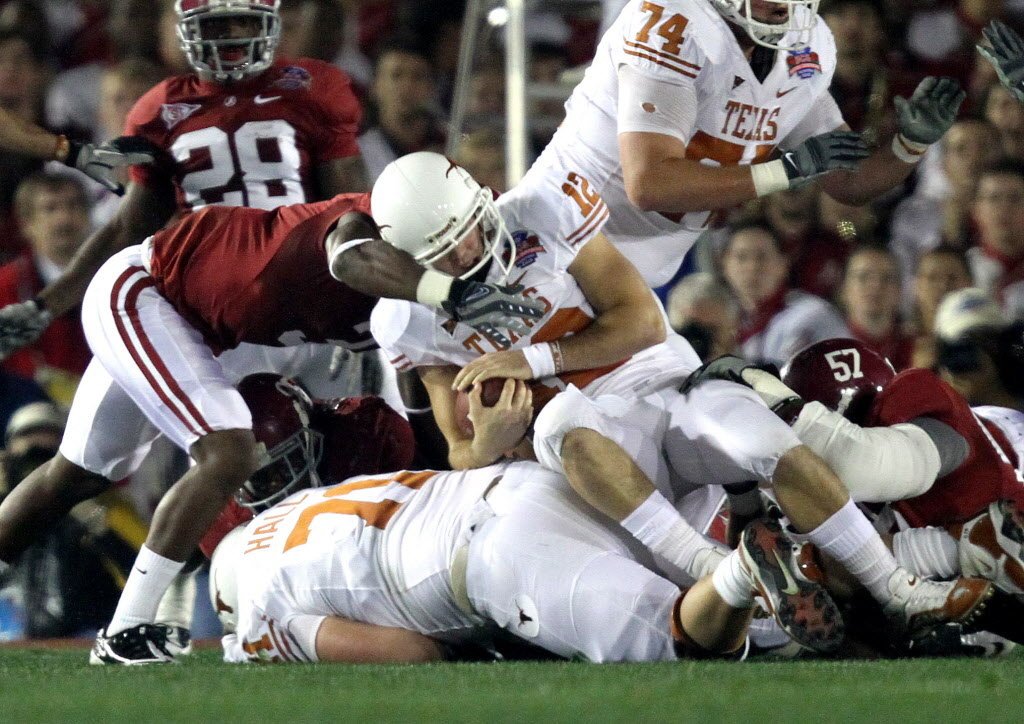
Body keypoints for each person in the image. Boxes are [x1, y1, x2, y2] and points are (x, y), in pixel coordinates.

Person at [371, 151, 991, 647]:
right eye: (442, 254)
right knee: (558, 418)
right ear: (408, 263)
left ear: (484, 201)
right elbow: (452, 456)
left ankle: (898, 591)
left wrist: (532, 359)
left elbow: (640, 319)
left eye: (468, 233)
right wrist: (486, 445)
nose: (466, 255)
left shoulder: (545, 210)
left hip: (664, 387)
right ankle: (717, 568)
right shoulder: (406, 320)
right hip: (599, 465)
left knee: (764, 440)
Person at [0, 186, 542, 665]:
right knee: (228, 453)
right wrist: (450, 293)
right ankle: (126, 632)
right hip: (146, 292)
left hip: (214, 334)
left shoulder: (414, 303)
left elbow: (418, 405)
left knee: (74, 476)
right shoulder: (365, 228)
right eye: (443, 241)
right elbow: (351, 258)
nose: (460, 254)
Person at [0, 0, 368, 360]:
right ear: (186, 29)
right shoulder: (159, 110)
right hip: (208, 305)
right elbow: (126, 228)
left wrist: (359, 310)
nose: (231, 36)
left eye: (243, 23)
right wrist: (44, 306)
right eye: (215, 26)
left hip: (303, 291)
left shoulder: (310, 88)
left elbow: (351, 208)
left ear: (269, 24)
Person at [210, 460, 844, 664]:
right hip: (526, 482)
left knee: (683, 639)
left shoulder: (263, 604)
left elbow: (412, 656)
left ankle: (741, 567)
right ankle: (859, 576)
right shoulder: (303, 503)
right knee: (760, 633)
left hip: (495, 558)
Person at [521, 0, 964, 288]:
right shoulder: (672, 23)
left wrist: (909, 144)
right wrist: (787, 171)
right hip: (553, 250)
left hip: (637, 278)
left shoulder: (804, 45)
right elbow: (651, 183)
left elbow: (846, 179)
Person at [720, 222, 848, 367]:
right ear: (724, 264)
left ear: (783, 264)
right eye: (742, 257)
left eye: (762, 257)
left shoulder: (813, 314)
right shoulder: (715, 318)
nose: (752, 267)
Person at [839, 244, 914, 371]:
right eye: (863, 277)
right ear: (844, 289)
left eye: (887, 278)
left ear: (900, 291)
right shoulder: (823, 349)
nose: (875, 286)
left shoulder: (915, 350)